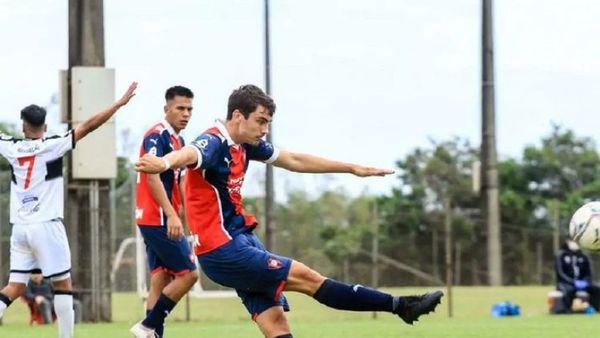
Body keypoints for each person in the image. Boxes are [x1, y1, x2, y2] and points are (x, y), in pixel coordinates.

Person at [135, 84, 443, 338]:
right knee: (309, 279)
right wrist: (163, 163)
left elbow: (294, 160)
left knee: (276, 324)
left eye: (268, 122)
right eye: (261, 121)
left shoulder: (244, 143)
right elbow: (188, 154)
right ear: (238, 116)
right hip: (223, 250)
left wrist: (350, 168)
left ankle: (150, 327)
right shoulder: (214, 140)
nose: (265, 130)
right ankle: (399, 305)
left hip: (241, 240)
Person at [0, 82, 137, 338]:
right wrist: (117, 104)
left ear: (22, 126)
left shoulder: (11, 147)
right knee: (63, 283)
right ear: (45, 127)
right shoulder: (53, 144)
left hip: (19, 228)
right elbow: (89, 125)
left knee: (14, 286)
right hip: (47, 224)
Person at [130, 86, 199, 338]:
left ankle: (152, 334)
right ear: (166, 109)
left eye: (190, 109)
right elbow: (151, 176)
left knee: (160, 278)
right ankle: (148, 326)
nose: (186, 114)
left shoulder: (178, 141)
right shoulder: (156, 135)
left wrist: (188, 215)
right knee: (189, 274)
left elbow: (182, 182)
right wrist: (171, 214)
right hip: (155, 217)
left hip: (158, 218)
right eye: (180, 108)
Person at [555, 239, 600, 312]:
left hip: (583, 283)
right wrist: (573, 282)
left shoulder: (584, 255)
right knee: (568, 291)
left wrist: (585, 281)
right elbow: (560, 274)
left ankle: (595, 308)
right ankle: (568, 310)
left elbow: (589, 272)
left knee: (597, 290)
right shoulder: (561, 255)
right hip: (567, 284)